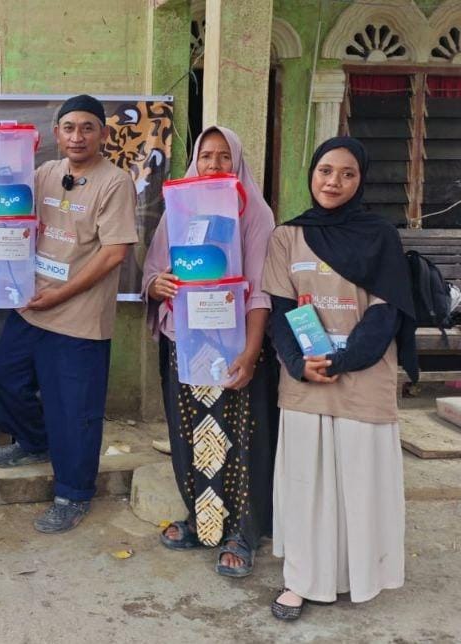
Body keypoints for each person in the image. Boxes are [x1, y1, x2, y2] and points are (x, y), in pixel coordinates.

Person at [262, 137, 417, 620]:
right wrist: (297, 362)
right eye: (326, 170)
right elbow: (279, 309)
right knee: (306, 481)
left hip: (362, 376)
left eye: (347, 173)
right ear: (312, 174)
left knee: (359, 480)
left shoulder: (380, 236)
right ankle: (301, 581)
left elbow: (385, 312)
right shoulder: (287, 237)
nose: (334, 182)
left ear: (360, 180)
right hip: (305, 377)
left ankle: (359, 574)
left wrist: (344, 362)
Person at [0, 94, 139, 534]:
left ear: (103, 135)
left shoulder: (115, 182)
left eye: (88, 128)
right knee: (4, 379)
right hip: (33, 307)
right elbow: (14, 221)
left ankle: (73, 493)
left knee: (74, 409)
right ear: (56, 134)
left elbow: (113, 254)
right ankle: (35, 442)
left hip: (79, 318)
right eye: (69, 128)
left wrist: (61, 294)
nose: (78, 136)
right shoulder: (45, 174)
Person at [141, 126, 278, 577]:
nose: (215, 166)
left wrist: (252, 351)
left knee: (241, 435)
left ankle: (243, 529)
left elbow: (260, 290)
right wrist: (156, 284)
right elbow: (157, 268)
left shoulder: (254, 213)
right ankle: (203, 521)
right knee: (191, 432)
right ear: (195, 161)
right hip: (187, 341)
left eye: (223, 157)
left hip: (235, 343)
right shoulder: (179, 209)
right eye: (207, 157)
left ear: (237, 162)